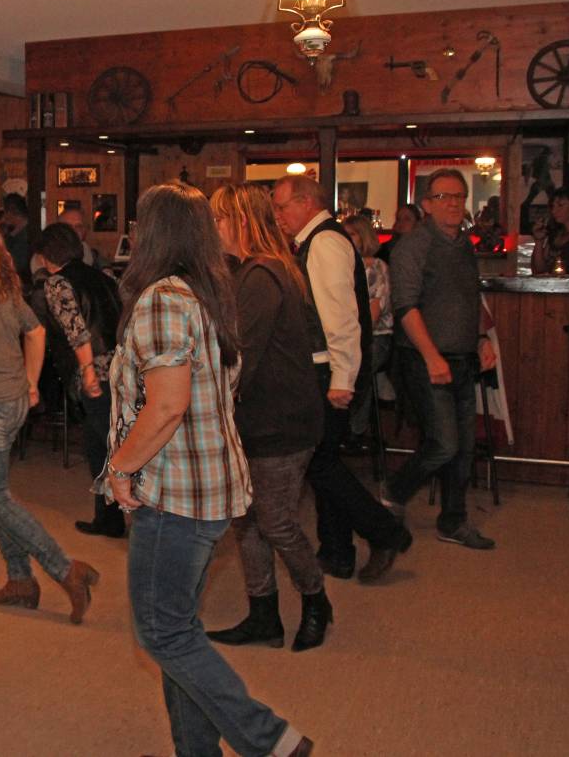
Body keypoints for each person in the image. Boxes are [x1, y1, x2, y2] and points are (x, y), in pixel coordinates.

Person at [103, 182, 313, 757]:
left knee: (162, 633)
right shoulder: (208, 294)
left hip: (176, 495)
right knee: (179, 629)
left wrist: (120, 467)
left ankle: (269, 739)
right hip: (208, 487)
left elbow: (167, 406)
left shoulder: (163, 299)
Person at [0, 194, 99, 622]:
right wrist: (29, 383)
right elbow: (36, 331)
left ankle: (66, 570)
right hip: (11, 399)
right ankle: (20, 580)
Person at [203, 184, 330, 653]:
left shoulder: (261, 274)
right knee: (248, 521)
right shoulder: (253, 270)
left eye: (218, 218)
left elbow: (239, 358)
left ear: (240, 221)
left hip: (281, 423)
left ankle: (316, 600)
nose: (212, 228)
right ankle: (263, 615)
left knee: (274, 522)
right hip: (261, 420)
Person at [271, 175, 410, 584]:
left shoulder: (325, 243)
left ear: (306, 202)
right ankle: (337, 551)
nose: (277, 215)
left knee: (319, 462)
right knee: (323, 461)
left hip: (327, 369)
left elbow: (343, 319)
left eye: (281, 206)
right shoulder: (317, 241)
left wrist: (342, 379)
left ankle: (386, 533)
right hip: (324, 367)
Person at [383, 168, 499, 550]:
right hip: (424, 359)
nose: (452, 203)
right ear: (427, 205)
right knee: (445, 444)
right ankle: (394, 491)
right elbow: (405, 307)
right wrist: (432, 356)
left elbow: (469, 298)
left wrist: (480, 338)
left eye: (458, 197)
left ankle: (453, 521)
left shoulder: (463, 244)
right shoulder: (412, 246)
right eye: (442, 197)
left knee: (463, 448)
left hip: (463, 357)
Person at [34, 223, 124, 537]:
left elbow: (77, 332)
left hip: (95, 373)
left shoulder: (57, 283)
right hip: (121, 367)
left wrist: (87, 372)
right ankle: (108, 517)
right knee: (99, 444)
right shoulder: (104, 276)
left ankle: (118, 516)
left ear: (45, 256)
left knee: (107, 446)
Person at [344, 214, 393, 450]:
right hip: (352, 336)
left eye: (351, 234)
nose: (346, 238)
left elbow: (372, 316)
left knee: (357, 366)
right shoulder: (344, 266)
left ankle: (355, 429)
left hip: (376, 338)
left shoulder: (376, 268)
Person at [0, 191, 33, 284]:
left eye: (5, 212)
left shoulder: (24, 237)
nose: (3, 216)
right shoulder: (17, 232)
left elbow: (15, 264)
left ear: (10, 212)